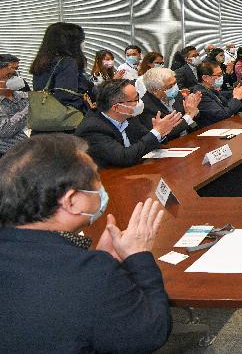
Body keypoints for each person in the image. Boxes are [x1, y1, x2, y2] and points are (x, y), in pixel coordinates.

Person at [0, 135, 171, 353]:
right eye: (97, 179)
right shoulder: (91, 273)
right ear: (72, 201)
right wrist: (139, 257)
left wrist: (96, 262)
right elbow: (151, 332)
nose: (101, 186)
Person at [75, 79, 182, 168]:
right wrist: (156, 133)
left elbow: (146, 141)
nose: (140, 103)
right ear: (117, 107)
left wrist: (161, 133)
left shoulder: (129, 117)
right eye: (135, 99)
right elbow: (124, 157)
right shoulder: (92, 129)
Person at [31, 22, 94, 114]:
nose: (83, 43)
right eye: (80, 40)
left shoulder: (42, 61)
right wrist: (87, 106)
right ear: (70, 42)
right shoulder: (67, 62)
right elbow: (66, 96)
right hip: (67, 120)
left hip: (45, 116)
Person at [139, 67, 201, 141]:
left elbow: (193, 116)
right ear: (155, 90)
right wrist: (189, 115)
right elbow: (166, 134)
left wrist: (195, 111)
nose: (175, 87)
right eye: (170, 86)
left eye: (175, 83)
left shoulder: (177, 94)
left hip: (190, 137)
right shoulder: (145, 107)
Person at [192, 61, 242, 128]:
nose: (221, 77)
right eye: (218, 75)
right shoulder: (200, 94)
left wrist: (239, 92)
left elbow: (226, 104)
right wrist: (236, 98)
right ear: (205, 78)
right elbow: (222, 114)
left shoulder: (210, 89)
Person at [0, 54, 29, 157]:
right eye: (12, 70)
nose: (15, 75)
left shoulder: (21, 93)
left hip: (28, 147)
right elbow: (4, 131)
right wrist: (28, 110)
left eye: (17, 70)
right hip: (8, 154)